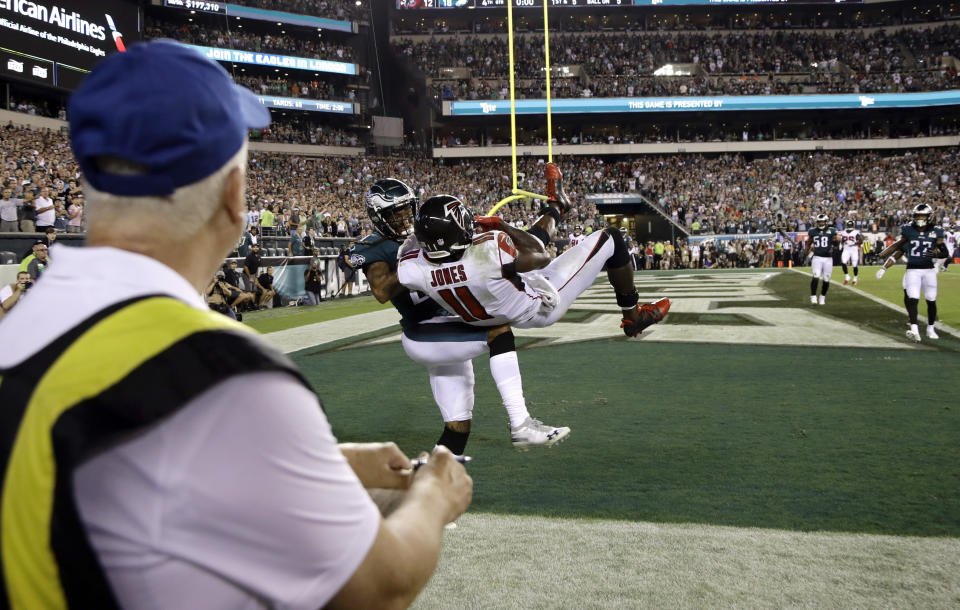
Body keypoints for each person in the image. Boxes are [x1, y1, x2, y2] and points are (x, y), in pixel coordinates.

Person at [0, 41, 471, 610]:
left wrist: (325, 463)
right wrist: (434, 496)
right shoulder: (221, 370)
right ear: (232, 195)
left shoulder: (24, 319)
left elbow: (113, 473)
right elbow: (379, 585)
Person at [350, 177, 569, 452]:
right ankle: (521, 424)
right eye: (395, 214)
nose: (404, 219)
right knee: (498, 331)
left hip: (451, 327)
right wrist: (417, 260)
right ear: (378, 217)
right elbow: (381, 290)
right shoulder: (378, 247)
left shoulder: (432, 231)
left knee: (457, 429)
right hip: (424, 331)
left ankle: (430, 486)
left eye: (407, 210)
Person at [396, 165, 670, 337]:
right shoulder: (486, 256)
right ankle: (633, 317)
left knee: (517, 255)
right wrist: (500, 224)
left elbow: (413, 263)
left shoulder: (413, 269)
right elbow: (540, 253)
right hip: (537, 305)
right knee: (611, 239)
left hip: (486, 314)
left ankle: (556, 206)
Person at [876, 203, 948, 342]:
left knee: (931, 300)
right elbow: (898, 247)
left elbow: (945, 252)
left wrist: (934, 255)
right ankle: (914, 329)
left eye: (923, 215)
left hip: (929, 271)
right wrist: (884, 258)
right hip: (913, 270)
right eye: (918, 215)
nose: (920, 218)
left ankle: (930, 328)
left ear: (929, 216)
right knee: (913, 299)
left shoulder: (936, 231)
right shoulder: (908, 230)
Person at [804, 213, 839, 305]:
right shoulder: (813, 231)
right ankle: (813, 296)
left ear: (826, 221)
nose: (821, 223)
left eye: (823, 221)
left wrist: (836, 241)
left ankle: (822, 296)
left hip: (828, 258)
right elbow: (808, 242)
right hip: (817, 257)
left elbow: (836, 243)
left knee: (826, 279)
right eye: (819, 222)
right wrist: (807, 251)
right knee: (816, 276)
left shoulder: (832, 231)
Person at [839, 218, 863, 285]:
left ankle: (855, 277)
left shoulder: (856, 232)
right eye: (848, 225)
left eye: (850, 225)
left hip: (854, 249)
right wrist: (842, 243)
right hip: (846, 248)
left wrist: (854, 243)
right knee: (843, 261)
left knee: (854, 265)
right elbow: (843, 240)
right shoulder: (843, 232)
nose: (849, 227)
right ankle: (847, 276)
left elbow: (861, 240)